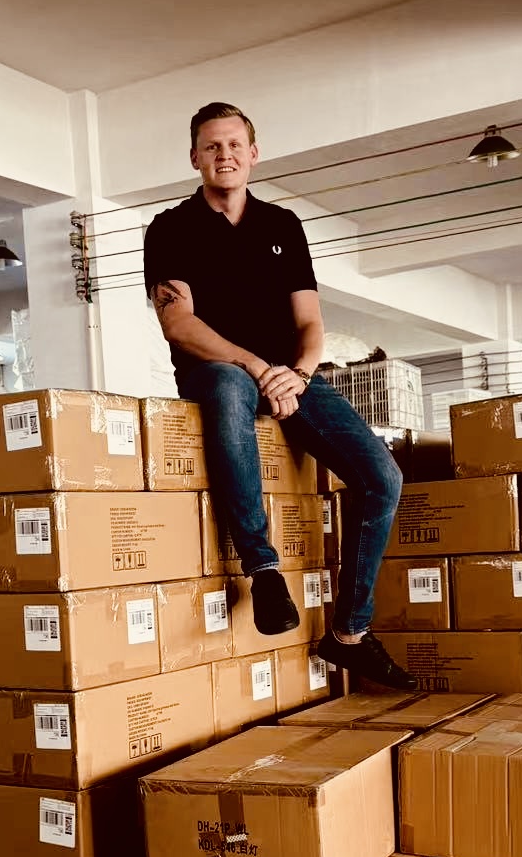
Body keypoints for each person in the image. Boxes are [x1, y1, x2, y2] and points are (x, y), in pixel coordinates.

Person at [143, 101, 418, 691]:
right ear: (194, 157)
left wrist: (297, 372)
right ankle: (262, 567)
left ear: (254, 153)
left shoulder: (282, 226)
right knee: (224, 382)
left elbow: (311, 323)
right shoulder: (170, 228)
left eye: (235, 144)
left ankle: (349, 634)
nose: (225, 156)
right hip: (220, 370)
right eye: (212, 146)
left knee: (383, 480)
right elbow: (179, 325)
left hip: (289, 374)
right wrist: (257, 366)